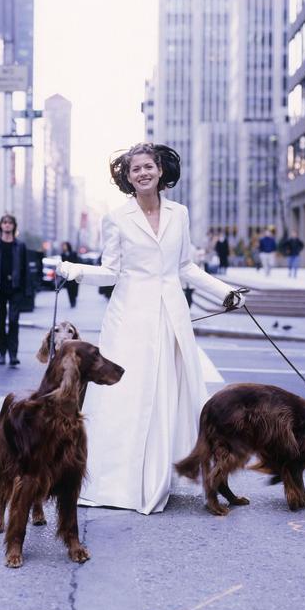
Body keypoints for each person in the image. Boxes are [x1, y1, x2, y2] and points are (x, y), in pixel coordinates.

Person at [56, 142, 247, 515]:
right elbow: (111, 270)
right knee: (127, 398)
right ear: (127, 178)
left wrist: (226, 293)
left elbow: (186, 267)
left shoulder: (179, 214)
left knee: (166, 397)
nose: (142, 173)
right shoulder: (116, 218)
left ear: (160, 170)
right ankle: (117, 483)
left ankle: (157, 477)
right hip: (128, 318)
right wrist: (73, 270)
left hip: (171, 318)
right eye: (135, 169)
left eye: (148, 166)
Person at [0, 214, 32, 367]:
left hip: (16, 288)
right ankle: (2, 353)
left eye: (10, 223)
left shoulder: (20, 246)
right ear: (0, 225)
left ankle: (13, 354)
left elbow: (25, 269)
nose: (7, 225)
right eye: (4, 222)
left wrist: (27, 290)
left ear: (14, 226)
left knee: (14, 321)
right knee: (0, 322)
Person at [60, 241, 79, 308]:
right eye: (63, 246)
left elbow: (77, 263)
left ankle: (74, 299)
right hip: (67, 275)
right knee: (69, 289)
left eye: (65, 246)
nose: (64, 247)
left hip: (74, 274)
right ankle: (71, 302)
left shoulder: (74, 253)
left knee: (75, 289)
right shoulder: (62, 255)